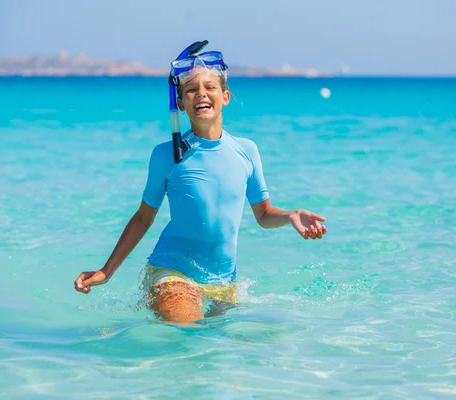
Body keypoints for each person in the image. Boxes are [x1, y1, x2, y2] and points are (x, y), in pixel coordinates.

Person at [74, 41, 327, 323]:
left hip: (224, 281)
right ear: (180, 103)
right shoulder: (167, 155)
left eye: (209, 87)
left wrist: (290, 214)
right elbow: (143, 218)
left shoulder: (246, 151)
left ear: (225, 96)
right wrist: (107, 271)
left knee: (232, 349)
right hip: (173, 273)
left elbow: (264, 214)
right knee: (190, 333)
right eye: (191, 89)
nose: (201, 94)